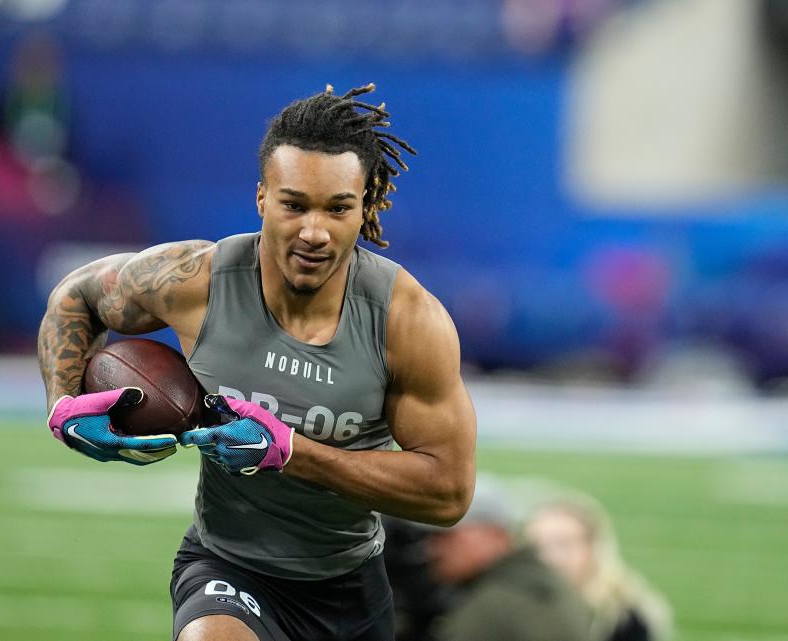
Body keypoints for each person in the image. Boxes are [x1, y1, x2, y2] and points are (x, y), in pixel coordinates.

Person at [37, 83, 477, 641]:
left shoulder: (408, 321)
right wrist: (65, 407)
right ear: (262, 198)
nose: (314, 232)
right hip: (226, 566)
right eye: (294, 204)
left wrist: (291, 453)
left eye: (338, 208)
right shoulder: (196, 280)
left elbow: (448, 492)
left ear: (364, 207)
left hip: (349, 584)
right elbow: (75, 297)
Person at [424, 475, 593, 641]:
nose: (432, 548)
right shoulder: (535, 583)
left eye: (446, 536)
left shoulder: (499, 602)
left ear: (493, 534)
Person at [524, 491, 673, 641]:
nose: (549, 557)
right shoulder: (519, 603)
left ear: (593, 548)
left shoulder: (621, 618)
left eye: (563, 544)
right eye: (538, 545)